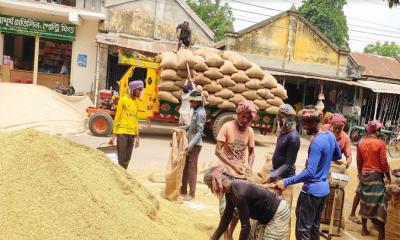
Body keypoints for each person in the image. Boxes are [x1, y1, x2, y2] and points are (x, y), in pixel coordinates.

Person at [275, 105, 342, 240]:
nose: (304, 127)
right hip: (323, 191)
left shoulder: (316, 142)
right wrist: (324, 160)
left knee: (303, 231)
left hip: (311, 193)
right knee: (314, 227)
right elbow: (337, 156)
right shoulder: (329, 135)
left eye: (306, 123)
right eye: (303, 123)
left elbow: (309, 173)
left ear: (314, 121)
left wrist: (285, 181)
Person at [205, 167, 290, 240]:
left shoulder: (239, 193)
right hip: (265, 214)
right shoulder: (230, 192)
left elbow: (245, 226)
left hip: (278, 212)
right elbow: (226, 219)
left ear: (216, 184)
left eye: (210, 187)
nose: (212, 191)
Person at [215, 100, 256, 240]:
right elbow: (217, 151)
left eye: (249, 118)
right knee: (225, 209)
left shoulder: (250, 131)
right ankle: (226, 235)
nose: (245, 120)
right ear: (238, 113)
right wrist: (233, 165)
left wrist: (249, 166)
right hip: (225, 173)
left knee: (238, 211)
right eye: (244, 116)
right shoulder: (227, 127)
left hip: (240, 178)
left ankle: (229, 234)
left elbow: (252, 152)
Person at [357, 120, 391, 240]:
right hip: (376, 176)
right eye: (380, 129)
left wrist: (361, 175)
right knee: (381, 203)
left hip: (365, 176)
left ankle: (364, 229)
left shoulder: (360, 143)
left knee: (365, 200)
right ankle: (381, 233)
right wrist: (388, 177)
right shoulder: (380, 143)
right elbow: (383, 162)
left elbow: (359, 162)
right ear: (377, 131)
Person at [108, 80, 144, 169]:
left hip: (132, 134)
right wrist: (113, 135)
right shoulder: (123, 100)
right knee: (121, 158)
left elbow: (135, 119)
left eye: (141, 90)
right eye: (139, 90)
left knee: (127, 159)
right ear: (132, 90)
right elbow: (117, 117)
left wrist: (137, 136)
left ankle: (123, 177)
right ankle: (119, 178)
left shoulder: (137, 102)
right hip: (122, 133)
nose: (141, 92)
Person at [264, 104, 300, 183]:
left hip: (286, 178)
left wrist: (273, 174)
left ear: (284, 120)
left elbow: (289, 164)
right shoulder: (283, 132)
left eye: (279, 119)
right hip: (277, 173)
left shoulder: (293, 138)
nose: (278, 121)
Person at [180, 90, 206, 200]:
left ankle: (191, 194)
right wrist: (184, 128)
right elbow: (192, 125)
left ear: (198, 102)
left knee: (192, 168)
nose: (191, 104)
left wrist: (190, 145)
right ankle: (183, 189)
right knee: (185, 167)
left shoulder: (200, 113)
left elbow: (200, 132)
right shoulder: (196, 111)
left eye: (192, 102)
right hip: (191, 143)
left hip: (195, 145)